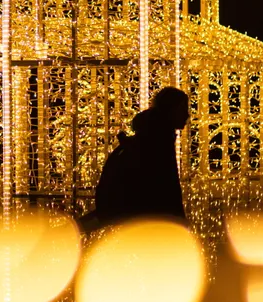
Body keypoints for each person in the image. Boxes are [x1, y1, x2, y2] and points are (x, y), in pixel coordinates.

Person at [80, 86, 189, 232]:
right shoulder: (157, 142)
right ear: (171, 109)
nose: (187, 115)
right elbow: (165, 188)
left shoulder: (149, 138)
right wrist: (177, 219)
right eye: (183, 109)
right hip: (147, 223)